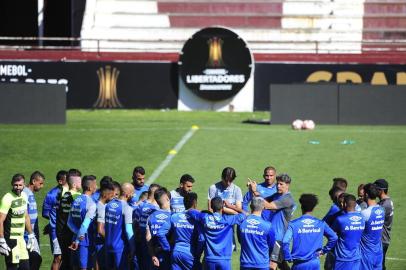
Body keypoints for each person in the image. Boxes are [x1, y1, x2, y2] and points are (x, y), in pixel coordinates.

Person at [188, 196, 246, 270]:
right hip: (224, 260)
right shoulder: (228, 220)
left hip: (209, 259)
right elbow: (244, 214)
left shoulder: (205, 218)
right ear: (222, 207)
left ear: (211, 207)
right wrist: (230, 207)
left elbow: (191, 211)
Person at [282, 194, 337, 270]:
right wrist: (324, 251)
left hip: (299, 264)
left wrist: (287, 257)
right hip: (315, 263)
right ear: (313, 208)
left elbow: (285, 241)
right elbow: (334, 237)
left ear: (301, 207)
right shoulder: (321, 224)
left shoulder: (293, 224)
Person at [0, 174, 39, 270]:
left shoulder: (24, 196)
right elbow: (0, 220)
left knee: (25, 267)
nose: (18, 187)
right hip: (11, 239)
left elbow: (26, 216)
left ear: (24, 185)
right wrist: (1, 239)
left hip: (21, 239)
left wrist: (31, 235)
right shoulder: (7, 198)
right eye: (15, 185)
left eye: (20, 185)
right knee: (12, 267)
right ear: (12, 184)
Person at [158, 192, 202, 270]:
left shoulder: (174, 217)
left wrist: (167, 248)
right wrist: (198, 254)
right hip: (190, 253)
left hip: (176, 252)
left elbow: (160, 233)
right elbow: (202, 239)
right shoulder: (197, 219)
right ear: (195, 203)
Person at [260, 173, 296, 270]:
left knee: (272, 266)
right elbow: (264, 200)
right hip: (273, 235)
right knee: (282, 264)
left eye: (281, 184)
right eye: (277, 184)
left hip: (279, 236)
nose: (278, 186)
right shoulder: (277, 195)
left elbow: (267, 205)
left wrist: (256, 192)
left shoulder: (287, 199)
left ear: (287, 185)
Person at [67, 175, 98, 270]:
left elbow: (69, 222)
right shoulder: (91, 204)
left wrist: (76, 234)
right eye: (95, 185)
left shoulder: (76, 200)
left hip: (75, 238)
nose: (96, 187)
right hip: (84, 241)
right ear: (90, 187)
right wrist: (78, 240)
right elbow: (85, 225)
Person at [103, 183, 135, 270]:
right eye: (133, 193)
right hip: (119, 248)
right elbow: (128, 230)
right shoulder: (127, 208)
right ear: (127, 194)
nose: (133, 195)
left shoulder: (109, 205)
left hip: (107, 245)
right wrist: (133, 248)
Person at [239, 197, 275, 270]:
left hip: (245, 264)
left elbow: (240, 240)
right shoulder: (267, 226)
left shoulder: (242, 223)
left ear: (251, 206)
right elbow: (272, 245)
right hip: (262, 264)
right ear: (264, 208)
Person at [42, 170, 68, 270]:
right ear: (60, 181)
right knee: (58, 257)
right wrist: (53, 223)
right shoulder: (51, 195)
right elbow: (46, 213)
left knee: (66, 257)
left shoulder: (71, 193)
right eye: (67, 180)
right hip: (55, 231)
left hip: (67, 230)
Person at [331, 194, 365, 270]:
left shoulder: (340, 219)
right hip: (356, 257)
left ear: (345, 204)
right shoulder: (362, 218)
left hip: (342, 257)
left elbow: (331, 233)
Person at [56, 171, 82, 270]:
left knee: (65, 260)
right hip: (70, 232)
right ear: (75, 184)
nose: (82, 184)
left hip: (62, 231)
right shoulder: (76, 197)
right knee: (72, 262)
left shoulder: (65, 195)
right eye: (80, 182)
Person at [133, 183, 160, 269]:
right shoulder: (156, 209)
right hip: (152, 244)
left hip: (139, 241)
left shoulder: (139, 206)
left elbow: (135, 225)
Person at [23, 171, 45, 270]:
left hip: (31, 233)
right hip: (26, 234)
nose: (42, 186)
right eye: (40, 183)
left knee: (34, 259)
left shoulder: (29, 193)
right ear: (33, 181)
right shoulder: (25, 193)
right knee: (35, 259)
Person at [360, 183, 385, 270]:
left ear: (366, 194)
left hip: (366, 254)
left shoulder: (365, 213)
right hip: (378, 252)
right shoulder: (382, 210)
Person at [146, 187, 172, 269]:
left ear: (157, 201)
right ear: (168, 198)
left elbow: (148, 238)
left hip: (156, 255)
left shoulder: (150, 217)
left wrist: (153, 256)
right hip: (169, 255)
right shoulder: (172, 217)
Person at [374, 179, 394, 270]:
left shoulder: (384, 205)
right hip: (384, 239)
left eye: (375, 189)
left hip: (382, 240)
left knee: (379, 265)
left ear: (381, 190)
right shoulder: (388, 202)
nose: (374, 191)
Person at [95, 180, 115, 270]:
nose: (113, 198)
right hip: (100, 243)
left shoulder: (95, 203)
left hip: (93, 241)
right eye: (111, 195)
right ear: (105, 195)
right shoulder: (102, 208)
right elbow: (100, 230)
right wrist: (110, 240)